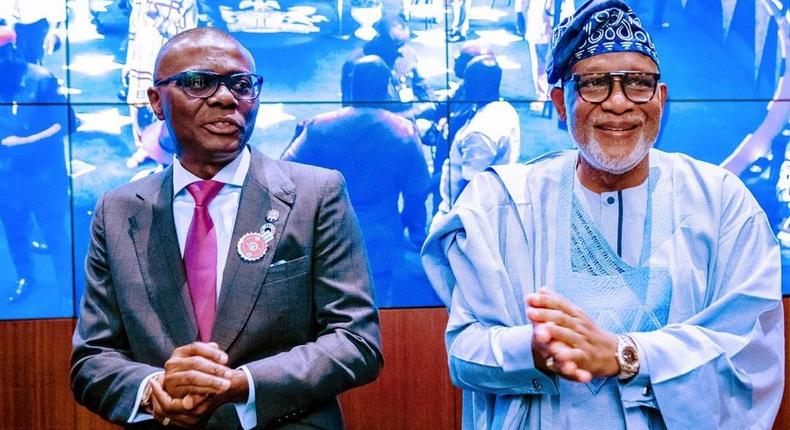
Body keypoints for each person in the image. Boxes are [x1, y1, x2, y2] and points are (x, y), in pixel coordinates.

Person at [421, 0, 784, 428]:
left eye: (638, 83)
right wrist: (534, 349)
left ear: (660, 99)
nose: (618, 103)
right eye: (594, 84)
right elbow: (464, 356)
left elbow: (752, 356)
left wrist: (626, 355)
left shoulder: (721, 204)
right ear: (560, 102)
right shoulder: (500, 206)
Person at [71, 27, 383, 429]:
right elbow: (92, 360)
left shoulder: (315, 194)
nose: (225, 98)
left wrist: (242, 384)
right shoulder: (118, 211)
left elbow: (356, 342)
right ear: (156, 102)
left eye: (241, 84)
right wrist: (152, 389)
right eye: (198, 83)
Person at [283, 55, 431, 306]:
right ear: (385, 87)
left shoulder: (320, 126)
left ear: (351, 84)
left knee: (328, 307)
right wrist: (413, 229)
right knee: (377, 309)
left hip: (327, 234)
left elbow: (286, 173)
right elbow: (418, 190)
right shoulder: (404, 132)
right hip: (381, 238)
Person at [0, 24, 71, 304]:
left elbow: (65, 124)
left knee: (55, 234)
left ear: (10, 53)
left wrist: (24, 143)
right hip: (6, 179)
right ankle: (25, 277)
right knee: (14, 231)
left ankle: (69, 292)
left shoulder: (41, 79)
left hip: (44, 177)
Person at [437, 54, 521, 213]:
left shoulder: (479, 134)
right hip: (492, 201)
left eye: (467, 80)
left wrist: (451, 224)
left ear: (477, 85)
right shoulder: (505, 109)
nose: (463, 85)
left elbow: (469, 188)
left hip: (459, 213)